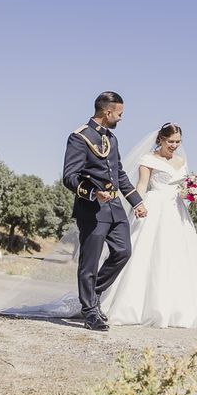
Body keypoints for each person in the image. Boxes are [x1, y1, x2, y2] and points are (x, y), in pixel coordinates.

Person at [100, 123, 197, 328]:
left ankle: (177, 307)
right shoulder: (148, 159)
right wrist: (137, 205)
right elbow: (142, 185)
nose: (174, 145)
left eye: (178, 142)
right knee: (147, 253)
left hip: (176, 211)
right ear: (160, 139)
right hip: (154, 206)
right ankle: (132, 307)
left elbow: (181, 189)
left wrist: (192, 194)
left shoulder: (181, 161)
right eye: (170, 141)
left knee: (178, 256)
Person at [62, 91, 148, 331]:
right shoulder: (79, 138)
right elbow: (69, 176)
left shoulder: (112, 139)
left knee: (123, 251)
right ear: (107, 112)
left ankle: (93, 293)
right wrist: (91, 193)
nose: (121, 118)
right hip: (92, 208)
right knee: (89, 261)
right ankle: (89, 310)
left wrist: (136, 201)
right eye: (119, 114)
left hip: (114, 207)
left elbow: (118, 173)